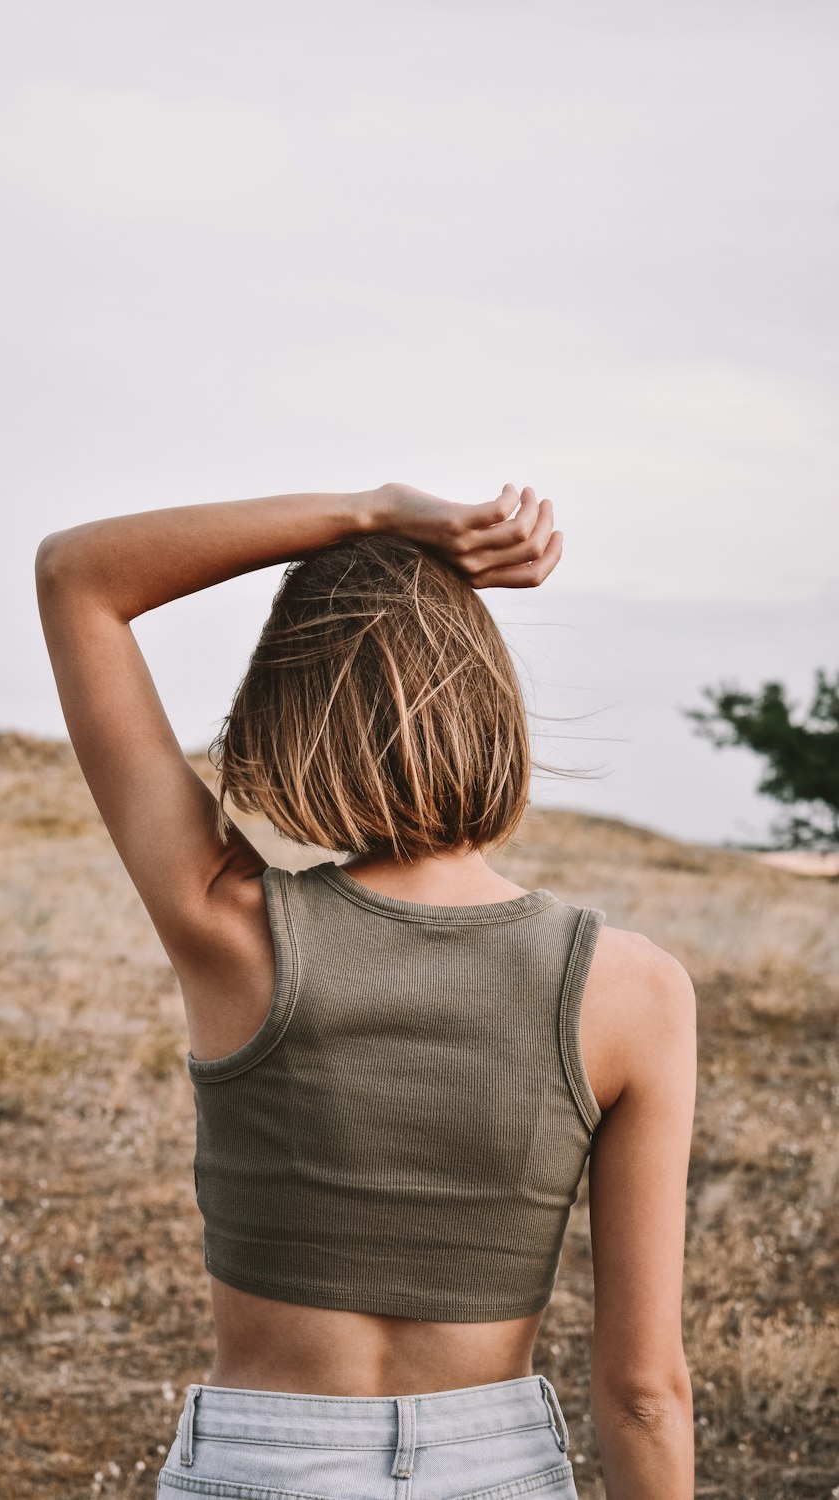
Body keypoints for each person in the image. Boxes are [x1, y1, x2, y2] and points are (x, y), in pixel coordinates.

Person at [35, 481, 696, 1500]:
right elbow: (646, 1390)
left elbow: (78, 577)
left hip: (263, 1461)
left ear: (291, 718)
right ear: (491, 709)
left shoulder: (230, 929)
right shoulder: (635, 991)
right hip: (498, 1472)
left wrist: (371, 511)